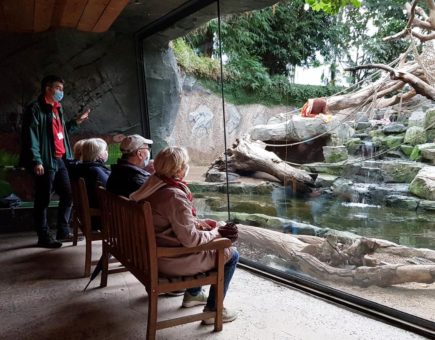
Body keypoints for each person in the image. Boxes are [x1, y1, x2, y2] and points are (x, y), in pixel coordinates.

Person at [130, 146, 239, 324]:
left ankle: (194, 294)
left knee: (211, 239)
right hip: (167, 260)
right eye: (186, 164)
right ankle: (213, 309)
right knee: (231, 253)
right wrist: (216, 231)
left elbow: (171, 220)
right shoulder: (173, 195)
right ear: (179, 169)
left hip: (148, 255)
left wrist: (201, 224)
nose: (187, 167)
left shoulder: (151, 185)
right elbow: (191, 240)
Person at [19, 75, 90, 248]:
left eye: (62, 89)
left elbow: (61, 131)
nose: (61, 92)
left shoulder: (57, 108)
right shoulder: (35, 109)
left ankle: (63, 231)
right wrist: (37, 161)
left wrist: (76, 122)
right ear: (47, 89)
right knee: (43, 199)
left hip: (59, 159)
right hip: (44, 160)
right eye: (58, 88)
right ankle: (43, 236)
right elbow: (31, 137)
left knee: (68, 194)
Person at [69, 138, 110, 230]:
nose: (107, 152)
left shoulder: (78, 168)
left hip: (84, 216)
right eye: (105, 150)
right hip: (100, 219)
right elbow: (110, 186)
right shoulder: (95, 170)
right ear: (99, 154)